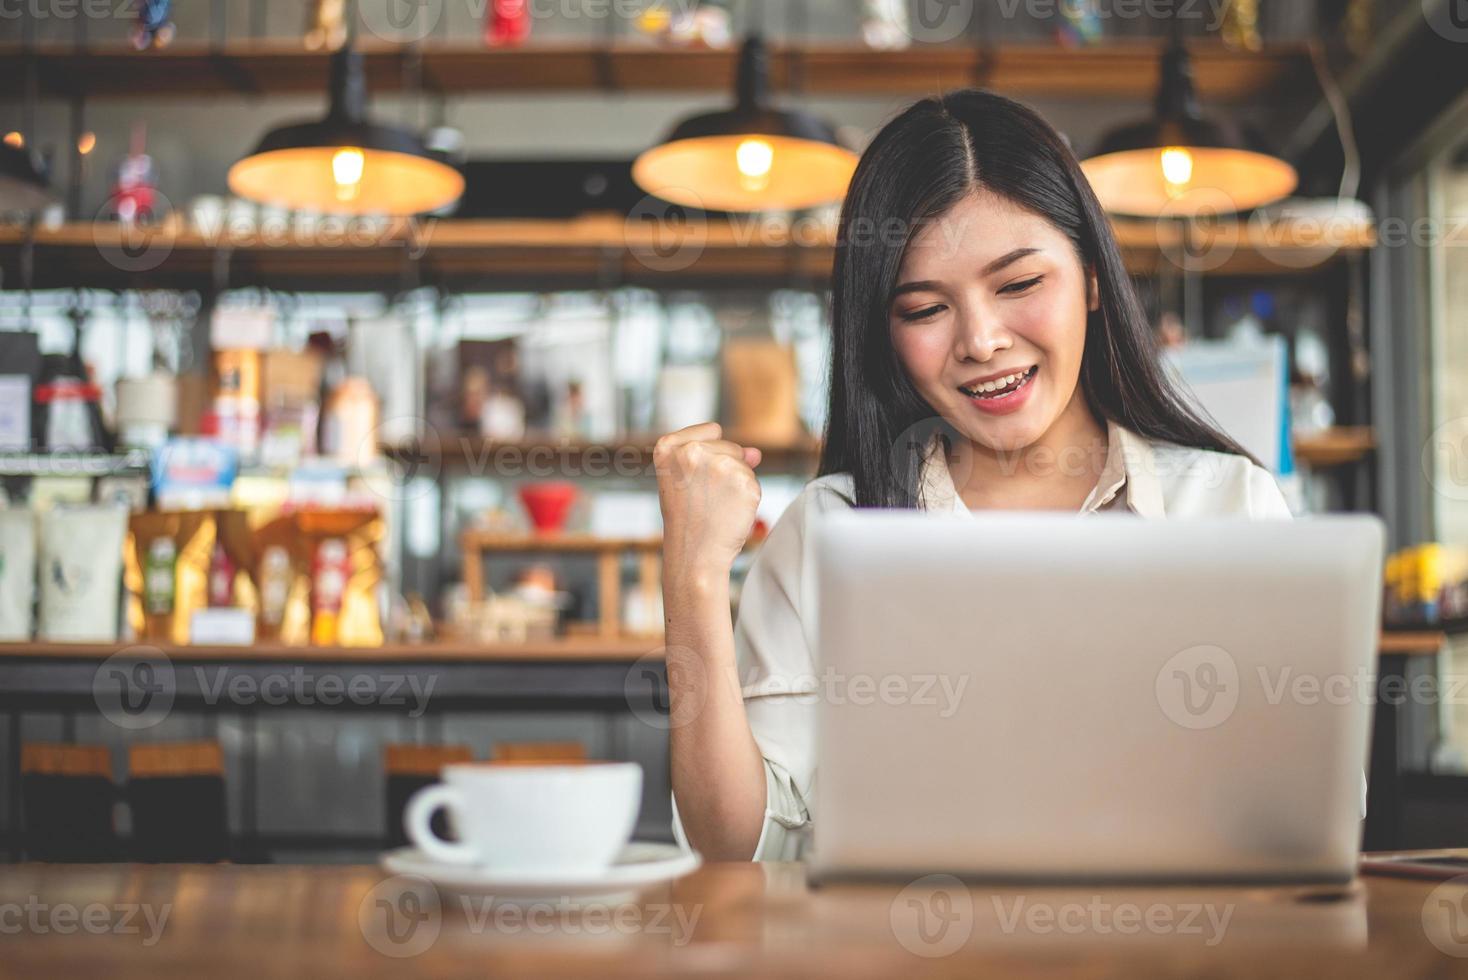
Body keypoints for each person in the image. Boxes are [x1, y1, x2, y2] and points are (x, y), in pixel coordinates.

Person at [653, 89, 1292, 862]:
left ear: (1092, 277)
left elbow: (1292, 818)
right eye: (925, 309)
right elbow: (735, 848)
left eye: (1020, 285)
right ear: (882, 333)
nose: (982, 341)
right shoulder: (829, 531)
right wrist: (690, 577)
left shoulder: (1228, 507)